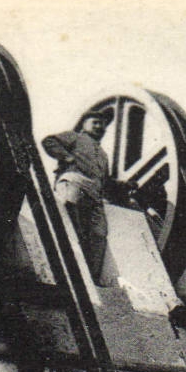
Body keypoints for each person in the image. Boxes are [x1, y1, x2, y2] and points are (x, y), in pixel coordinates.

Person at [41, 108, 119, 281]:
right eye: (95, 122)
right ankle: (67, 271)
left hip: (95, 195)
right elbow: (49, 141)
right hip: (75, 182)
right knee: (70, 221)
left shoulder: (104, 155)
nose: (99, 127)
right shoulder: (75, 137)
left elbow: (106, 181)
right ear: (84, 124)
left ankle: (91, 277)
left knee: (99, 233)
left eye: (102, 125)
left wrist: (125, 186)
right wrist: (67, 157)